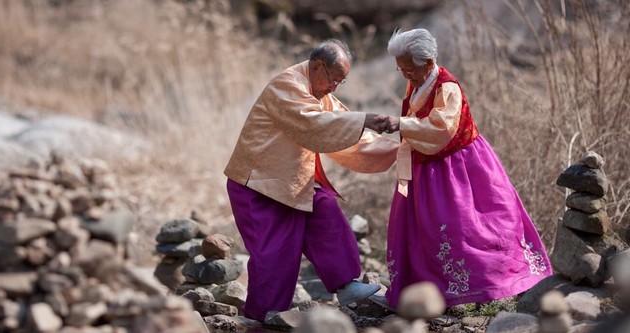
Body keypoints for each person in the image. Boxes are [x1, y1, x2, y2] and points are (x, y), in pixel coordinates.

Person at [373, 28, 553, 309]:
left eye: (408, 69)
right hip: (426, 166)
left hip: (459, 167)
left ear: (429, 63)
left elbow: (443, 126)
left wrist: (402, 124)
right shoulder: (417, 82)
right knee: (427, 231)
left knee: (469, 226)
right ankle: (432, 291)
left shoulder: (448, 87)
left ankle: (490, 284)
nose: (404, 75)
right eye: (401, 69)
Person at [224, 39, 398, 321]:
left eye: (340, 82)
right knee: (275, 258)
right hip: (258, 185)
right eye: (334, 80)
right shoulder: (288, 85)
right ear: (317, 67)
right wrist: (363, 119)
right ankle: (262, 319)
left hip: (291, 183)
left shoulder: (318, 90)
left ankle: (347, 285)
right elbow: (315, 126)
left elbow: (343, 128)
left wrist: (397, 149)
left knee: (325, 209)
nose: (334, 88)